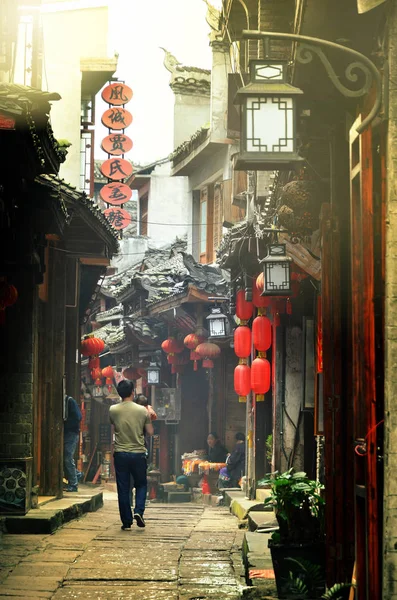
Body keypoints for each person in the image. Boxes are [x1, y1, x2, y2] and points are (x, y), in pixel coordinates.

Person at [109, 379, 153, 530]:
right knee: (141, 484)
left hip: (120, 453)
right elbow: (150, 432)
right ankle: (139, 511)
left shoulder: (113, 409)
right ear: (132, 392)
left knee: (123, 487)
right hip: (138, 453)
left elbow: (114, 425)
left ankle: (126, 522)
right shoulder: (142, 411)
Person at [63, 395, 82, 492]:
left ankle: (73, 484)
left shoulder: (69, 401)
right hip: (66, 433)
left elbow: (78, 417)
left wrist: (65, 424)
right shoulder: (64, 401)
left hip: (71, 433)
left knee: (67, 458)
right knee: (65, 458)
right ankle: (77, 475)